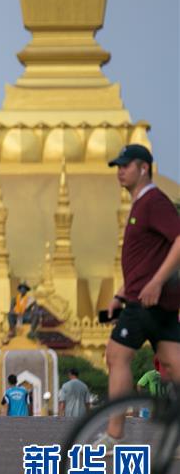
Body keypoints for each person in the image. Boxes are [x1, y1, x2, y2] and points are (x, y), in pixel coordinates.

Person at [101, 144, 180, 445]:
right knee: (174, 365)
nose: (120, 171)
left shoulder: (153, 202)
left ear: (143, 168)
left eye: (126, 165)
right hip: (146, 299)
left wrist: (157, 282)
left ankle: (114, 434)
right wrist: (120, 295)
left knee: (117, 355)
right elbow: (145, 260)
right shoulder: (139, 205)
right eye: (118, 166)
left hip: (147, 301)